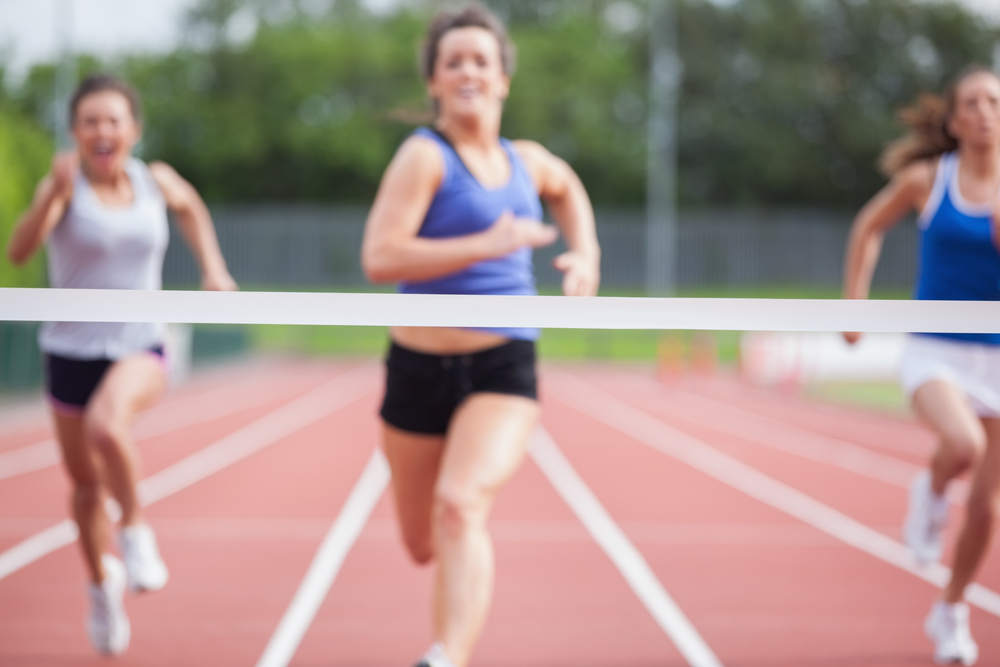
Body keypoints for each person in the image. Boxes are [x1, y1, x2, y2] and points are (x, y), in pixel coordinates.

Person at [361, 4, 600, 666]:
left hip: (502, 362)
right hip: (418, 366)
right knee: (421, 541)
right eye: (453, 61)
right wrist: (488, 243)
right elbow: (380, 257)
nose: (468, 71)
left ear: (503, 80)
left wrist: (586, 255)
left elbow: (568, 188)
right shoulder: (424, 157)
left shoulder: (527, 160)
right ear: (434, 82)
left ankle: (448, 655)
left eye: (480, 61)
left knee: (461, 506)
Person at [6, 74, 237, 656]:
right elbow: (19, 250)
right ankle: (100, 585)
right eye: (90, 122)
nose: (102, 131)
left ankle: (134, 532)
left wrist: (213, 268)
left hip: (141, 341)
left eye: (113, 120)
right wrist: (47, 196)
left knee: (108, 427)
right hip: (70, 351)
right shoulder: (64, 186)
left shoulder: (154, 180)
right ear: (75, 133)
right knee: (84, 487)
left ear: (133, 129)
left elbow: (192, 208)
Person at [843, 65, 1000, 666]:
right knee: (963, 446)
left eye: (994, 101)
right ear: (956, 119)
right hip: (937, 349)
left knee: (988, 508)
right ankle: (932, 490)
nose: (985, 110)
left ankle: (951, 608)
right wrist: (854, 304)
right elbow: (868, 227)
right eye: (974, 102)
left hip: (998, 355)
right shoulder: (928, 181)